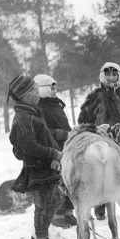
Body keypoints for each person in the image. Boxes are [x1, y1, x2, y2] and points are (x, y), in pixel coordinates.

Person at [78, 62, 120, 218]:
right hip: (100, 142)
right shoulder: (94, 97)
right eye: (107, 74)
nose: (110, 78)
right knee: (99, 173)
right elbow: (83, 121)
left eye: (114, 74)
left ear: (119, 76)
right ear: (102, 76)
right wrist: (90, 137)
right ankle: (100, 207)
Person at [8, 74, 67, 239]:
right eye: (35, 90)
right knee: (43, 204)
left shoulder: (32, 113)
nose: (38, 94)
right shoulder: (24, 117)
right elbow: (29, 146)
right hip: (36, 170)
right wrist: (53, 153)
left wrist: (56, 151)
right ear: (27, 95)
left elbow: (43, 137)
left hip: (45, 166)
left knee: (55, 199)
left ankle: (42, 231)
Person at [34, 74, 77, 228]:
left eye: (55, 87)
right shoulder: (38, 108)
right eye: (51, 87)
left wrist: (71, 134)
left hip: (65, 147)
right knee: (54, 183)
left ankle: (68, 213)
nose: (54, 90)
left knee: (67, 180)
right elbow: (42, 132)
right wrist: (63, 134)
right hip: (51, 150)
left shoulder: (56, 104)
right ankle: (57, 215)